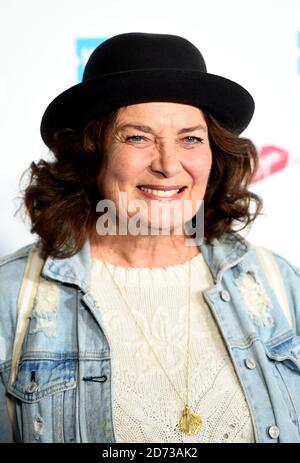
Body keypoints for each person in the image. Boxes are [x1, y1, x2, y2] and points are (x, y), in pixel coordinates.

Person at [0, 32, 300, 444]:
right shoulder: (13, 296)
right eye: (137, 137)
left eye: (190, 138)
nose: (168, 164)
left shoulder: (275, 283)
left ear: (214, 154)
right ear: (91, 153)